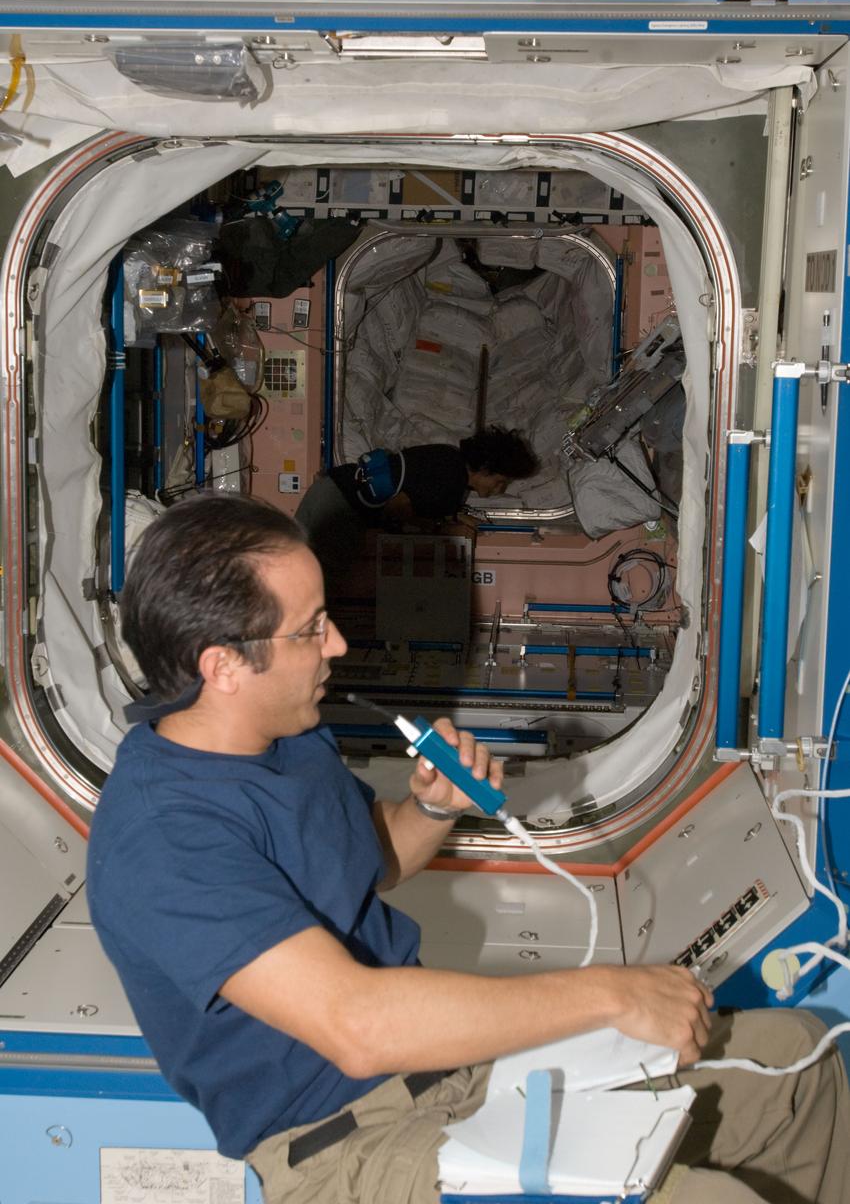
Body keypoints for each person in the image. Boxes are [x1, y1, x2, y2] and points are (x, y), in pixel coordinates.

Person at [88, 492, 850, 1204]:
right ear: (220, 666)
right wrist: (613, 992)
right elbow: (360, 1028)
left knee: (795, 1062)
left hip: (447, 1077)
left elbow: (371, 862)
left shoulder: (286, 742)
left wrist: (429, 807)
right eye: (310, 628)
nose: (340, 643)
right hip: (345, 1151)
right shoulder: (161, 837)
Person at [295, 425, 539, 583]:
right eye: (500, 481)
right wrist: (444, 531)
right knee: (311, 580)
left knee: (301, 571)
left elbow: (421, 494)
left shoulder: (448, 457)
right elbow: (398, 506)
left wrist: (452, 517)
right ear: (485, 469)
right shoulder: (452, 480)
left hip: (331, 491)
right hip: (338, 507)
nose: (500, 489)